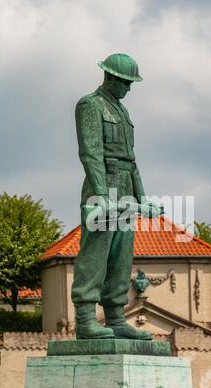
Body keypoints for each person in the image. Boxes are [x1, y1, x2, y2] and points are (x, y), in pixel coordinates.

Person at [71, 53, 162, 340]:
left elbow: (131, 160)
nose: (128, 88)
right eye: (124, 82)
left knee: (121, 255)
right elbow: (90, 152)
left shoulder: (122, 112)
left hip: (124, 186)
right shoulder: (90, 105)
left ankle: (115, 317)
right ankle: (86, 320)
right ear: (109, 77)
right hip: (104, 184)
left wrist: (142, 197)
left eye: (130, 83)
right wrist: (101, 194)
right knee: (96, 253)